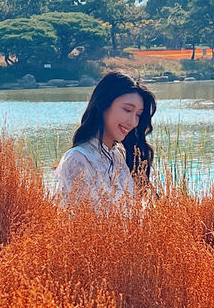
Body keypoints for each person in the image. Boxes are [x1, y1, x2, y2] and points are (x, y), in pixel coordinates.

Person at [53, 71, 157, 210]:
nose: (133, 122)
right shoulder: (77, 159)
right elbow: (81, 226)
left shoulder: (118, 153)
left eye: (138, 114)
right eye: (127, 110)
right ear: (103, 105)